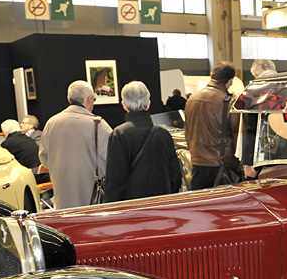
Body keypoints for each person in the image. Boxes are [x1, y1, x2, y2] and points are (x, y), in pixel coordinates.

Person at [104, 80, 182, 202]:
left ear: (124, 105)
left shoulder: (119, 134)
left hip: (132, 207)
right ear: (148, 104)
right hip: (160, 204)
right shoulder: (163, 134)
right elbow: (175, 174)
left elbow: (115, 179)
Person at [39, 80, 111, 209]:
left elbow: (43, 157)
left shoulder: (51, 123)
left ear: (68, 99)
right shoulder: (98, 125)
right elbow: (113, 158)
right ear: (89, 99)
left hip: (62, 196)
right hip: (92, 197)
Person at [185, 62, 240, 190]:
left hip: (197, 161)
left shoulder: (192, 99)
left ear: (212, 76)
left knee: (200, 204)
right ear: (230, 81)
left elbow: (187, 131)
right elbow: (237, 136)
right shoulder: (230, 102)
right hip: (221, 165)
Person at [239, 58, 277, 178]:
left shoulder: (253, 91)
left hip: (262, 155)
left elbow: (249, 128)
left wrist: (249, 163)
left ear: (255, 75)